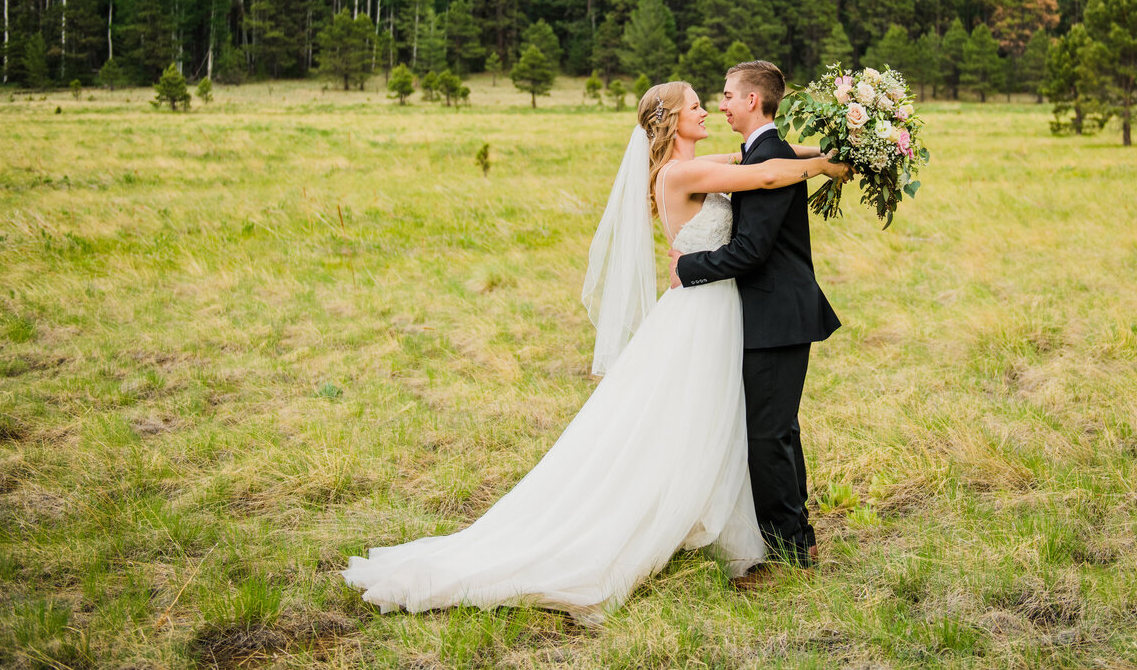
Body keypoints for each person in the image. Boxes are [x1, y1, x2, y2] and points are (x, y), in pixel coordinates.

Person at [342, 80, 850, 623]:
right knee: (689, 424)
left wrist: (829, 152)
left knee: (714, 422)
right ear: (672, 121)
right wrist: (822, 169)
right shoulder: (680, 173)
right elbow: (767, 173)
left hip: (718, 312)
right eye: (698, 105)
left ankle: (725, 519)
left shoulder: (701, 162)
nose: (709, 110)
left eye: (713, 100)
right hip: (702, 312)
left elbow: (760, 156)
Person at [669, 60, 839, 571]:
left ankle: (790, 544)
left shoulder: (769, 156)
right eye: (709, 99)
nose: (718, 104)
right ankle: (796, 536)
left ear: (750, 101)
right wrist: (826, 156)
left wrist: (688, 267)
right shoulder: (758, 152)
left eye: (724, 96)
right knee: (777, 430)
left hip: (775, 314)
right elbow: (762, 169)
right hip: (765, 313)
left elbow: (752, 251)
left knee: (768, 435)